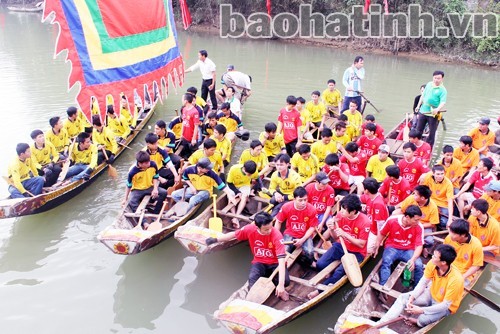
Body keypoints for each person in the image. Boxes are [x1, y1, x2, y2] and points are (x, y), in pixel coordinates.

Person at [205, 212, 290, 301]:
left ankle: (278, 288)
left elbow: (281, 261)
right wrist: (215, 239)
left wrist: (281, 286)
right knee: (252, 280)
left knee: (285, 282)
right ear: (257, 227)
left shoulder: (277, 235)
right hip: (259, 261)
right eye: (266, 229)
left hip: (275, 262)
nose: (269, 231)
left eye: (270, 227)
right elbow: (233, 235)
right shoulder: (250, 229)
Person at [377, 244, 464, 328]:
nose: (432, 257)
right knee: (403, 298)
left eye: (435, 256)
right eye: (433, 255)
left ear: (443, 262)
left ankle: (418, 322)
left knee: (422, 320)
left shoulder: (456, 279)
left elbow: (445, 305)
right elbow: (423, 282)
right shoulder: (432, 263)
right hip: (431, 293)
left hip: (443, 305)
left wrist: (421, 310)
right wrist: (412, 297)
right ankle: (381, 324)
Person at [308, 195, 371, 299]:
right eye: (341, 208)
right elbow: (335, 237)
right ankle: (331, 273)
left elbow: (361, 244)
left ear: (353, 211)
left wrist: (345, 234)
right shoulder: (340, 215)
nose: (341, 211)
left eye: (344, 210)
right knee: (320, 264)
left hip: (357, 252)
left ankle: (319, 291)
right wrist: (332, 229)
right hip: (341, 245)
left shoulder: (365, 222)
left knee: (338, 273)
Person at [373, 205, 424, 288]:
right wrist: (377, 246)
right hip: (392, 247)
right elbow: (382, 233)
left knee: (418, 265)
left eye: (419, 220)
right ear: (407, 217)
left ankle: (416, 289)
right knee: (386, 261)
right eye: (416, 220)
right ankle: (383, 287)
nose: (418, 222)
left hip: (408, 249)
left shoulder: (419, 227)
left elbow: (419, 245)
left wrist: (413, 259)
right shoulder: (392, 220)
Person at [275, 186, 318, 266]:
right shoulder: (286, 207)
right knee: (283, 251)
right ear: (294, 199)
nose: (303, 202)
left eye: (305, 200)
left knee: (309, 253)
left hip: (305, 234)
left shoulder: (312, 209)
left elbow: (312, 227)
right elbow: (278, 221)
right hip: (290, 233)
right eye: (300, 200)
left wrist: (302, 240)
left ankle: (301, 260)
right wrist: (276, 237)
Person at [394, 185, 439, 250]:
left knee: (430, 241)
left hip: (422, 224)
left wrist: (418, 225)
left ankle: (422, 247)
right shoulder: (411, 198)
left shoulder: (433, 207)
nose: (413, 195)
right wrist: (406, 222)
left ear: (422, 198)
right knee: (395, 213)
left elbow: (432, 224)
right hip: (409, 220)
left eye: (416, 195)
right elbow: (402, 211)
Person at [123, 151, 167, 217]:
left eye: (149, 161)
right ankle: (144, 222)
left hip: (149, 187)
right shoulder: (132, 172)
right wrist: (125, 198)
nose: (149, 164)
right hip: (137, 190)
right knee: (132, 201)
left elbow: (155, 177)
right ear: (140, 164)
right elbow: (129, 186)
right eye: (146, 163)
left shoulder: (153, 164)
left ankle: (156, 213)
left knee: (164, 192)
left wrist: (155, 189)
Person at [444, 219, 483, 285]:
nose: (450, 235)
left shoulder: (476, 245)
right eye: (450, 232)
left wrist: (462, 277)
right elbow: (443, 253)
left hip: (464, 274)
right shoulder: (449, 238)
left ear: (463, 235)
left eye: (453, 233)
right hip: (448, 269)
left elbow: (476, 265)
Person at [415, 70, 447, 149]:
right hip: (423, 111)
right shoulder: (429, 84)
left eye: (438, 78)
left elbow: (443, 102)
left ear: (442, 79)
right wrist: (418, 106)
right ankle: (416, 146)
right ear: (433, 77)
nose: (436, 80)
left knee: (432, 132)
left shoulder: (443, 90)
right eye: (435, 78)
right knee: (418, 130)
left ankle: (429, 147)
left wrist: (438, 109)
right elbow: (423, 96)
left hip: (432, 113)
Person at [226, 161, 259, 228]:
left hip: (245, 185)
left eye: (250, 174)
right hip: (233, 185)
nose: (249, 175)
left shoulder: (254, 171)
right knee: (231, 197)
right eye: (248, 174)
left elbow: (258, 180)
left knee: (244, 197)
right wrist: (237, 192)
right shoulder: (234, 169)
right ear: (243, 168)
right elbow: (229, 183)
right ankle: (234, 215)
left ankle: (236, 218)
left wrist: (254, 189)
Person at [420, 165, 454, 229]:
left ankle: (434, 224)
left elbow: (450, 201)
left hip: (442, 204)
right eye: (438, 174)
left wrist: (450, 219)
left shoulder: (448, 184)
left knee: (444, 222)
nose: (440, 176)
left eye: (442, 174)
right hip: (430, 201)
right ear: (433, 174)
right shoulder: (428, 177)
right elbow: (422, 191)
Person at [361, 177, 389, 254]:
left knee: (368, 251)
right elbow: (359, 198)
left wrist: (378, 242)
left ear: (366, 190)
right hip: (369, 226)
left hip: (375, 232)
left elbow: (380, 225)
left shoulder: (378, 204)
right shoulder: (371, 196)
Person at [179, 93, 200, 159]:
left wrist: (193, 139)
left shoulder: (195, 112)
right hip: (185, 136)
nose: (182, 100)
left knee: (194, 153)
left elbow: (196, 126)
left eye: (182, 99)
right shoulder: (184, 109)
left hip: (191, 137)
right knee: (186, 152)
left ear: (186, 101)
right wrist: (181, 134)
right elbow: (183, 122)